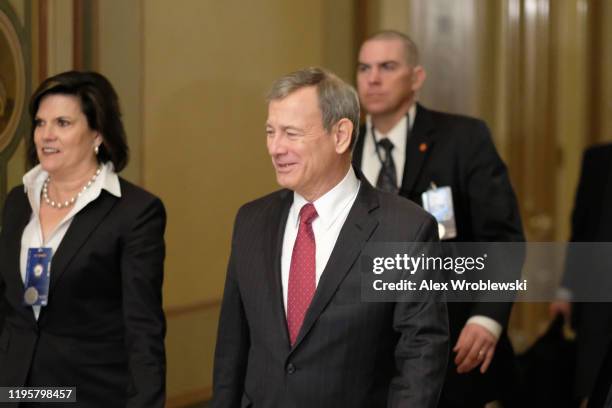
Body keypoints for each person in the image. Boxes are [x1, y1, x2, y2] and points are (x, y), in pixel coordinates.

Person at [212, 67, 449, 408]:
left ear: (340, 135)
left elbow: (421, 353)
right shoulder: (251, 220)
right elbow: (232, 346)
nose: (275, 148)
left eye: (291, 133)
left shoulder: (403, 229)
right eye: (270, 132)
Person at [353, 31, 524, 407]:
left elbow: (502, 238)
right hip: (363, 353)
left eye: (387, 66)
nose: (373, 78)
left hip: (452, 339)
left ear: (416, 78)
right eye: (364, 68)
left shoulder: (463, 138)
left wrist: (487, 318)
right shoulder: (341, 148)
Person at [0, 71, 166, 407]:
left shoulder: (135, 212)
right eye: (40, 123)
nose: (46, 135)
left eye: (62, 123)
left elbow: (142, 328)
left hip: (89, 394)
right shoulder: (18, 200)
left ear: (98, 134)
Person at [550, 143, 612, 407]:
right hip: (600, 300)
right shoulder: (599, 159)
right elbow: (582, 229)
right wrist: (566, 288)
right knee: (593, 385)